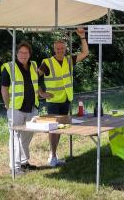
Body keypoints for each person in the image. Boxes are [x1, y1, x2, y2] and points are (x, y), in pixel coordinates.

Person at [38, 28, 89, 167]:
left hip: (66, 100)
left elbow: (85, 53)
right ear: (54, 49)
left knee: (60, 128)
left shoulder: (69, 60)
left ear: (65, 48)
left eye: (62, 48)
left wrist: (82, 37)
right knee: (53, 129)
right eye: (57, 48)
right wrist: (40, 93)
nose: (60, 50)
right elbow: (34, 77)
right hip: (53, 101)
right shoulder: (47, 62)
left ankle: (54, 155)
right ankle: (52, 156)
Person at [1, 41, 39, 175]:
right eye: (21, 52)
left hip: (32, 108)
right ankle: (15, 168)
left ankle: (24, 162)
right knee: (15, 137)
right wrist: (7, 105)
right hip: (16, 109)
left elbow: (36, 83)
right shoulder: (9, 67)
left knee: (26, 137)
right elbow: (4, 89)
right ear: (16, 53)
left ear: (30, 54)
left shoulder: (33, 65)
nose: (23, 55)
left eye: (26, 52)